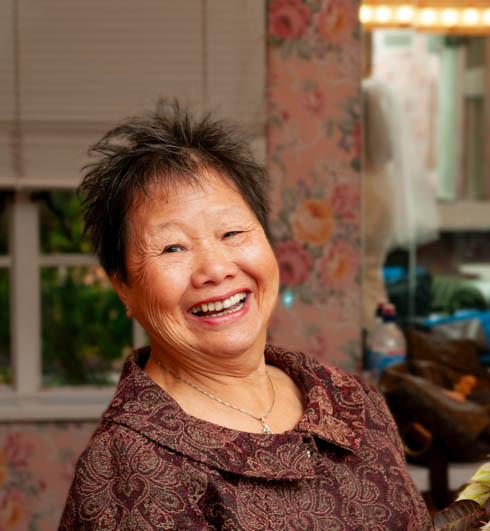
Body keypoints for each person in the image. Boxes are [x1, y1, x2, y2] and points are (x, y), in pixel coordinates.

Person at [58, 102, 432, 529]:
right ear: (122, 285)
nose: (216, 269)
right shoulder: (125, 468)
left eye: (233, 232)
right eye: (173, 248)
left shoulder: (350, 401)